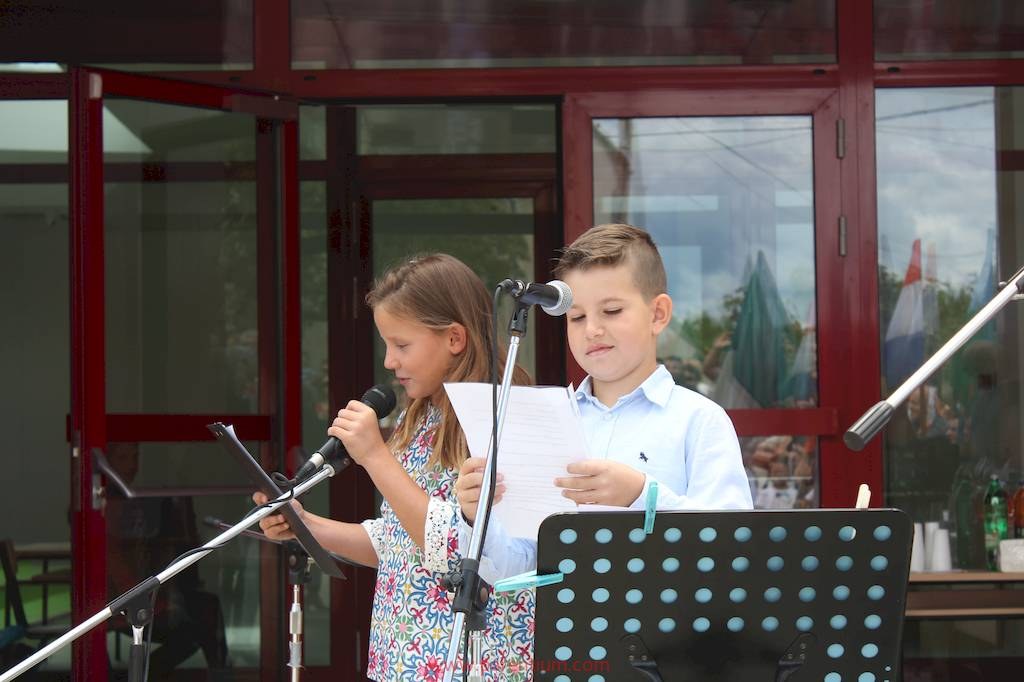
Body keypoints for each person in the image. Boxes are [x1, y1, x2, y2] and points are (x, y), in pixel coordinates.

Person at [253, 254, 533, 682]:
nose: (389, 361)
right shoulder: (418, 416)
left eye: (402, 345)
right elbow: (399, 541)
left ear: (454, 338)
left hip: (467, 662)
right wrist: (305, 526)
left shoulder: (499, 416)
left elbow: (456, 552)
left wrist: (375, 456)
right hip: (401, 657)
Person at [455, 223, 753, 581]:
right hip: (570, 615)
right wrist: (477, 517)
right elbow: (523, 564)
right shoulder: (550, 425)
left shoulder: (700, 419)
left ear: (658, 314)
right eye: (577, 317)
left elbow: (732, 548)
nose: (592, 330)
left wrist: (641, 496)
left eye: (611, 311)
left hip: (672, 616)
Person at [104, 442, 230, 681]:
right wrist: (154, 601)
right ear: (107, 463)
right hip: (121, 600)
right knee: (192, 631)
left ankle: (220, 674)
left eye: (135, 457)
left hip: (148, 590)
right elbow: (115, 563)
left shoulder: (132, 500)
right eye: (123, 458)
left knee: (207, 610)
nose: (132, 465)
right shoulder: (108, 504)